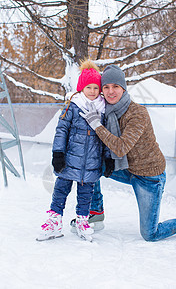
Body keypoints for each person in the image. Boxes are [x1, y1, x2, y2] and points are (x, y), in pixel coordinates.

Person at [78, 64, 176, 242]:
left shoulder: (137, 113)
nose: (111, 91)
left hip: (149, 177)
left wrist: (97, 125)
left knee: (151, 234)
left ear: (123, 88)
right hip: (128, 169)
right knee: (89, 163)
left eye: (116, 87)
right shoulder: (105, 111)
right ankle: (96, 211)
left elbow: (120, 148)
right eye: (106, 87)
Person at [36, 59, 106, 242]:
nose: (92, 91)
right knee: (60, 191)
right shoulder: (72, 106)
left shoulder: (103, 109)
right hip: (69, 160)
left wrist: (107, 158)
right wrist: (58, 153)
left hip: (91, 163)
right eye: (88, 87)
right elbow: (61, 130)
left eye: (95, 88)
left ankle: (82, 222)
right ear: (81, 88)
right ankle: (54, 221)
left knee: (85, 196)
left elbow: (106, 137)